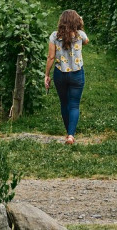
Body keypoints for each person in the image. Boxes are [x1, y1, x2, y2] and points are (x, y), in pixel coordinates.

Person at [44, 9, 89, 145]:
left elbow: (51, 57)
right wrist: (80, 23)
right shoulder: (80, 35)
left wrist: (46, 74)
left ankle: (68, 132)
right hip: (77, 74)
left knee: (64, 103)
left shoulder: (54, 36)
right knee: (74, 104)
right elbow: (87, 41)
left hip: (60, 73)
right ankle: (71, 135)